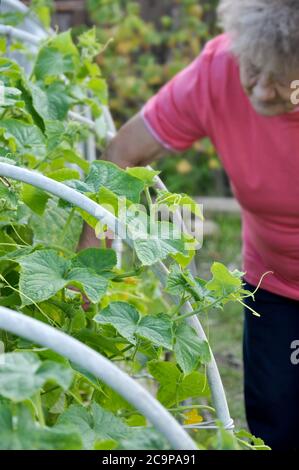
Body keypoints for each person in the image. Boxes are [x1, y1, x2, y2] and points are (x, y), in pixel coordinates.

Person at [79, 0, 299, 450]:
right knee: (277, 426)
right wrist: (86, 276)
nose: (259, 91)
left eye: (283, 79)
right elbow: (122, 156)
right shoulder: (218, 71)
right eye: (253, 68)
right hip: (276, 288)